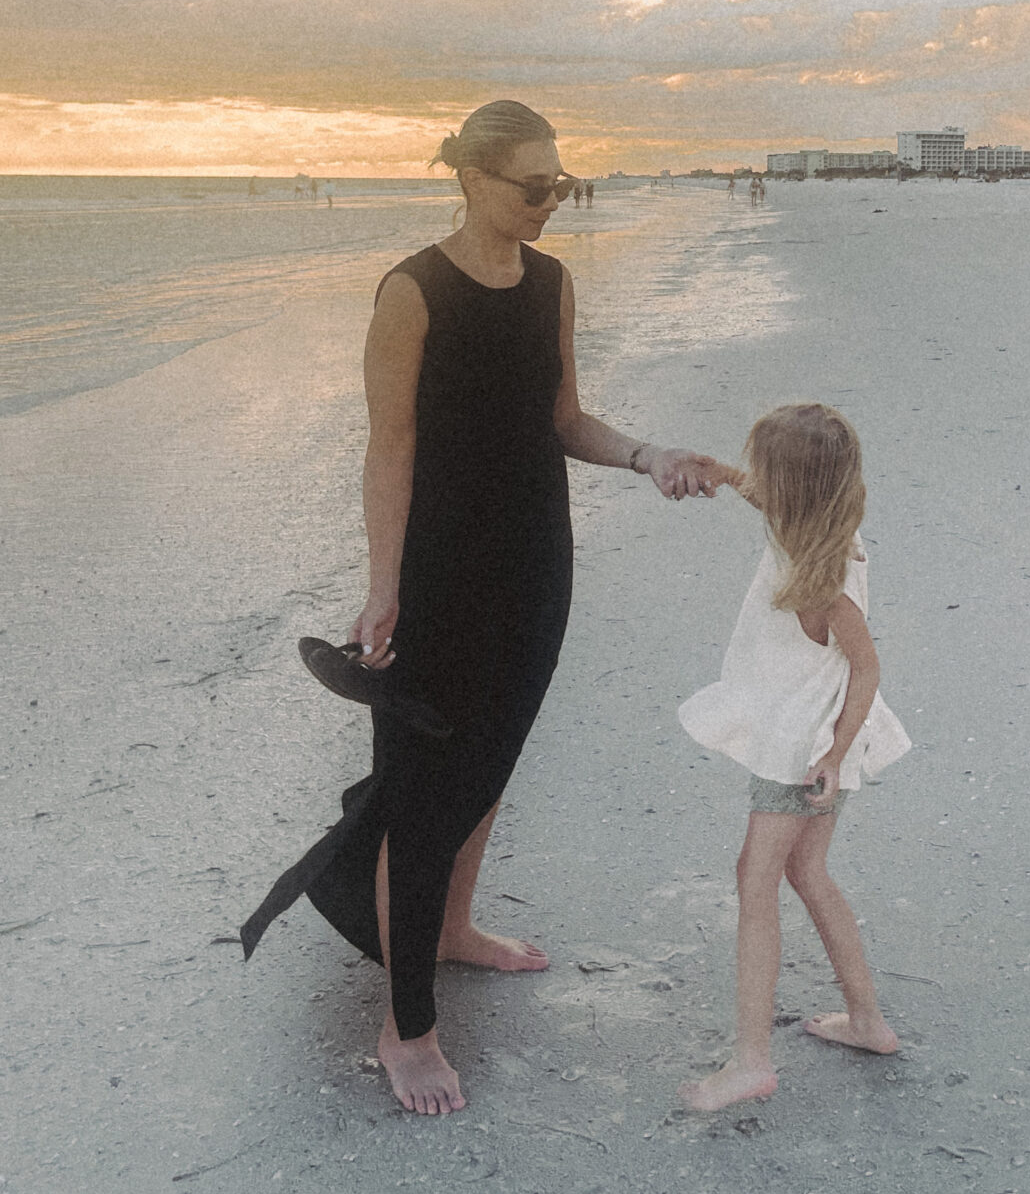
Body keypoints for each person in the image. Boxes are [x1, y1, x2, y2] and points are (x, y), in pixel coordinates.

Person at [242, 100, 728, 1116]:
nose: (554, 199)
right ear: (472, 179)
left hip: (536, 566)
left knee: (490, 765)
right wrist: (385, 586)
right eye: (535, 185)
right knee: (421, 794)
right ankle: (404, 1026)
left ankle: (454, 930)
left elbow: (562, 420)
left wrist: (647, 456)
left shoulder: (551, 283)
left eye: (559, 180)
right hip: (441, 574)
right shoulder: (412, 294)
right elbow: (389, 448)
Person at [676, 405, 910, 1110]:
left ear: (794, 492)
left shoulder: (823, 577)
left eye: (765, 478)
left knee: (757, 882)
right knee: (808, 871)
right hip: (811, 738)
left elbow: (867, 668)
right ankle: (867, 1021)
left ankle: (751, 1061)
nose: (757, 489)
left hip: (802, 748)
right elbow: (772, 496)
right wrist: (722, 475)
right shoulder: (817, 532)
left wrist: (836, 754)